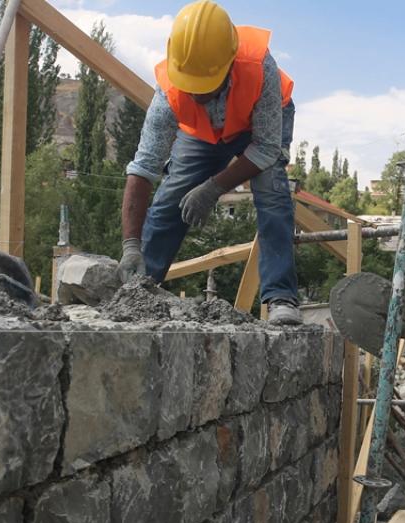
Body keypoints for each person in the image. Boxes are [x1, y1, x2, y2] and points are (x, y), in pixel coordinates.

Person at [120, 0, 301, 325]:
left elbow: (264, 151)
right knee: (172, 195)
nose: (198, 95)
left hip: (260, 127)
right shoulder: (168, 94)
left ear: (229, 63)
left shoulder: (260, 68)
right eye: (192, 88)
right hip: (203, 133)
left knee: (271, 192)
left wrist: (213, 187)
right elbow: (142, 169)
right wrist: (130, 244)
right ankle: (140, 290)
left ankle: (281, 299)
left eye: (205, 86)